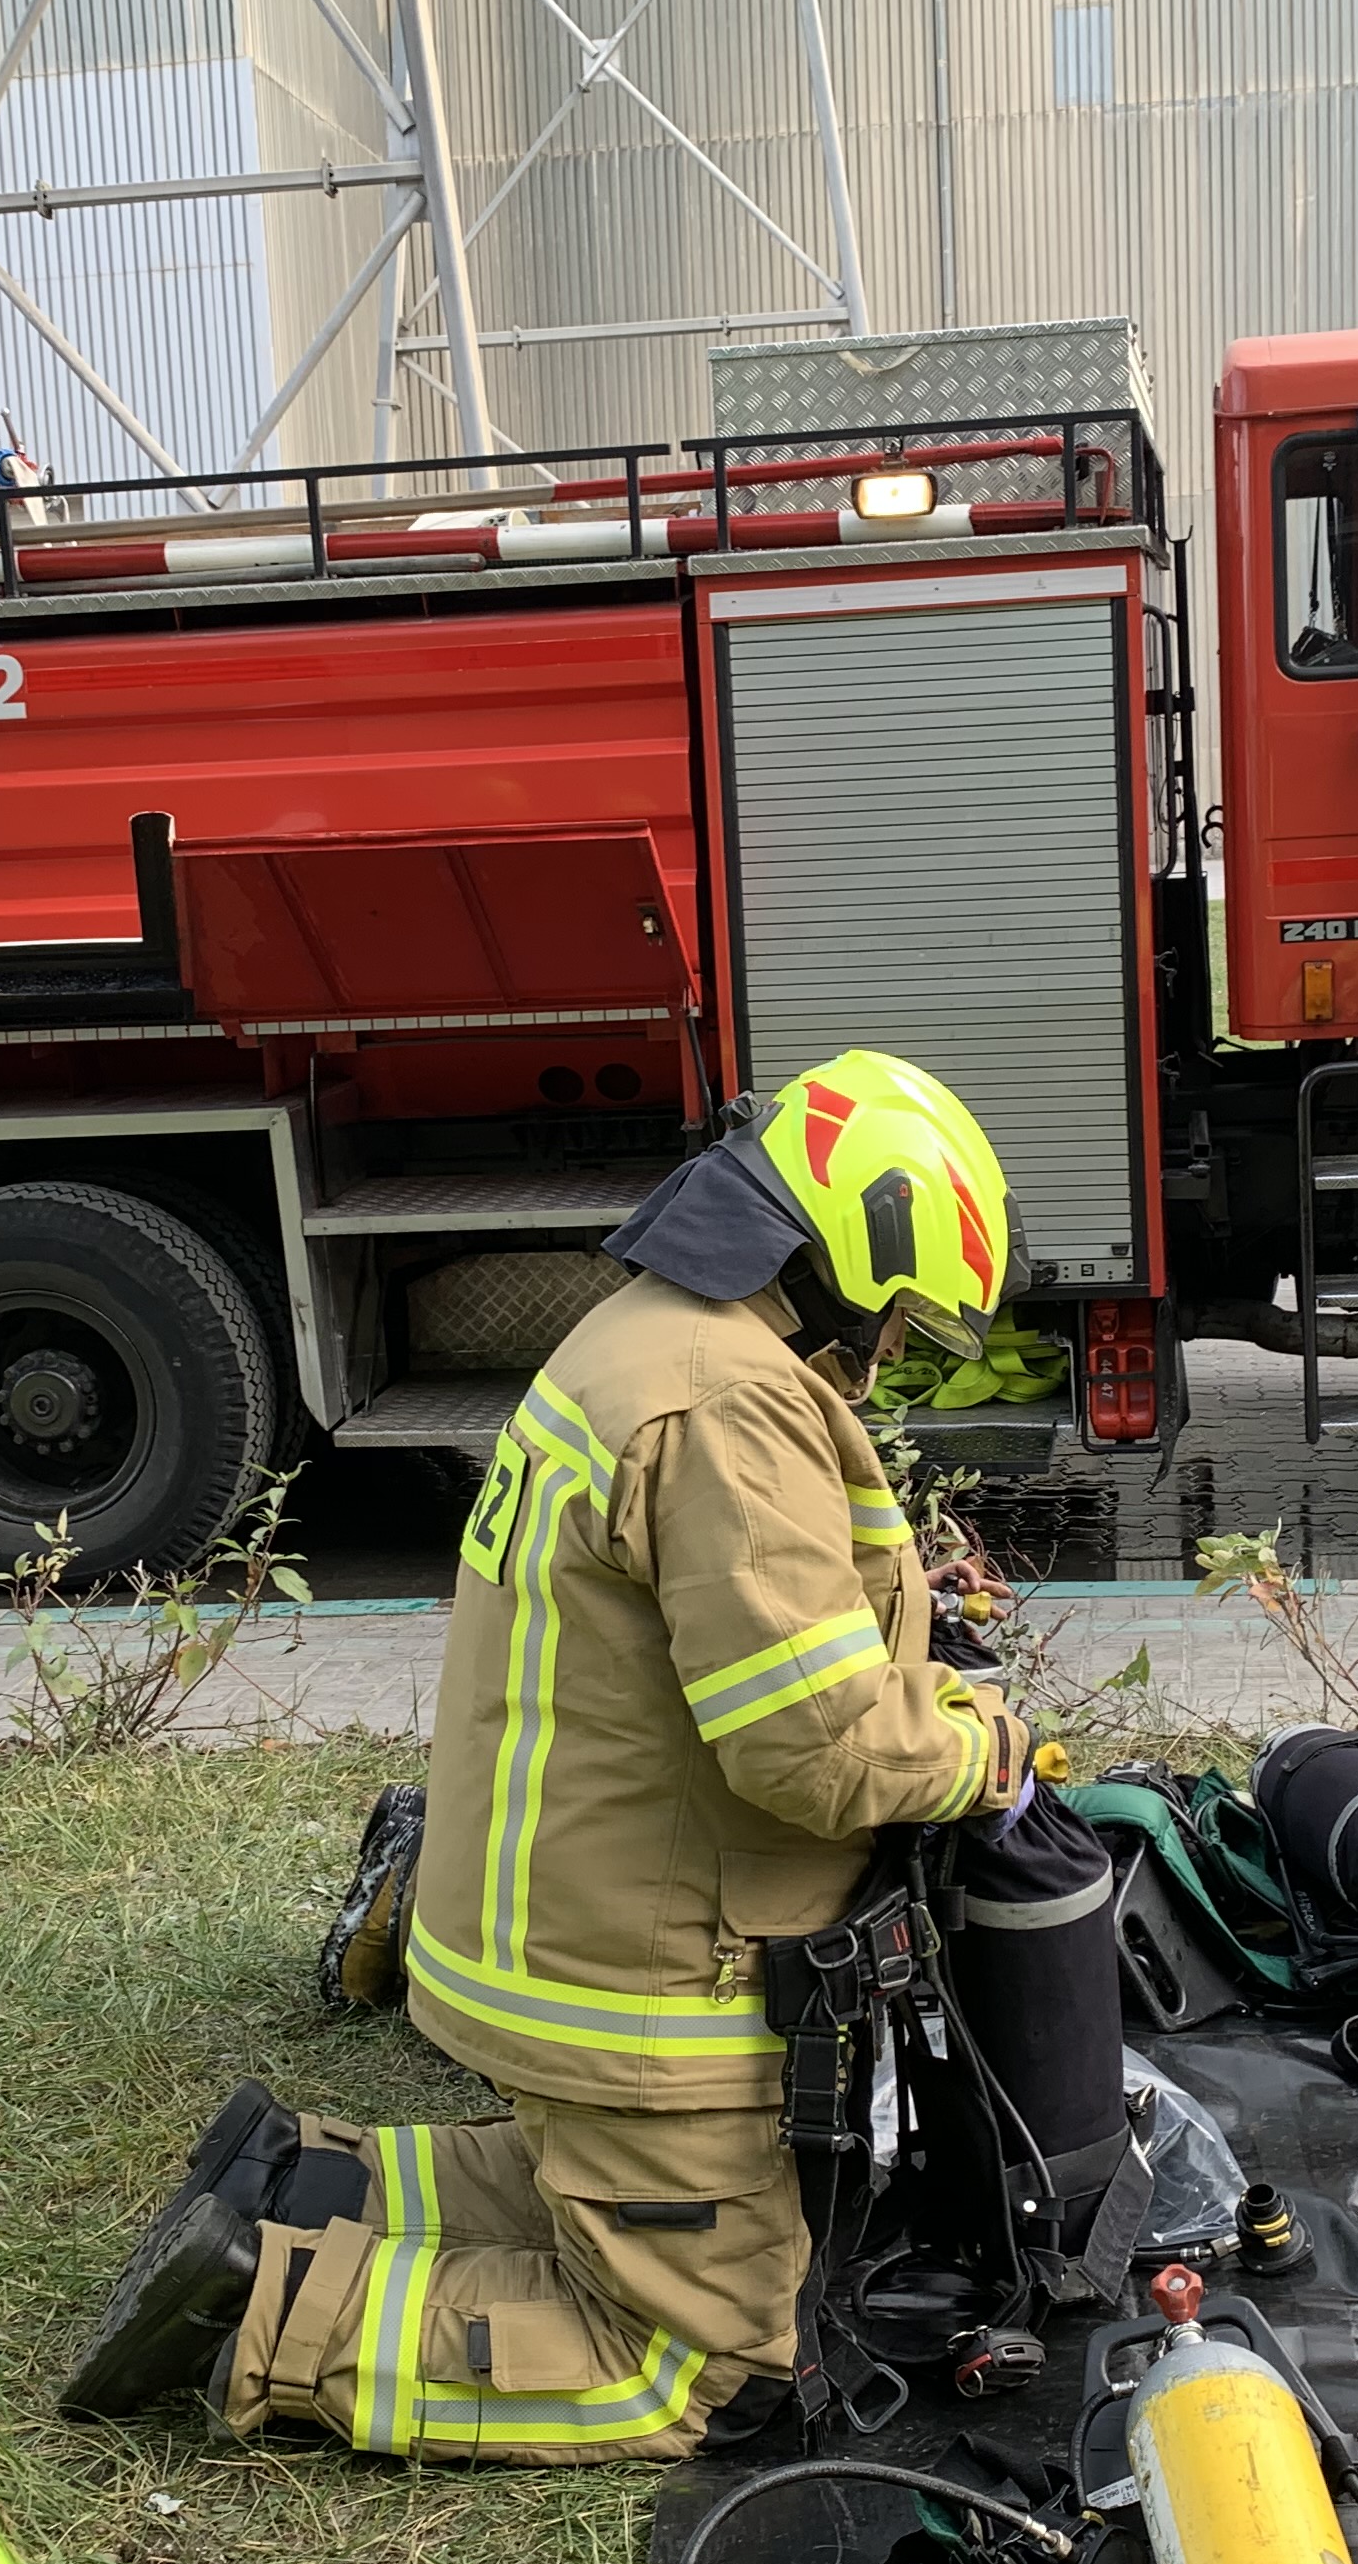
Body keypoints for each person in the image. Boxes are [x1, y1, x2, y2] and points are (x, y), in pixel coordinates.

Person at [61, 1049, 1031, 2460]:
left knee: (606, 2190)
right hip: (639, 1991)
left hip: (550, 1938)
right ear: (854, 1250)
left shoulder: (647, 1336)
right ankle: (274, 2313)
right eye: (898, 1321)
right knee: (703, 2359)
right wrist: (984, 1747)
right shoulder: (734, 1404)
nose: (886, 1356)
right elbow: (815, 1751)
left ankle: (305, 2179)